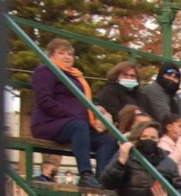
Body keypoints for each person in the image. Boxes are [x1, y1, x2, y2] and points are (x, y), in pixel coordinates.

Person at [30, 38, 119, 187]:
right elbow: (44, 100)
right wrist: (71, 115)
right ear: (51, 55)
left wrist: (95, 108)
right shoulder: (45, 71)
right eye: (61, 53)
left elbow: (80, 101)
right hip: (50, 122)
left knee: (107, 141)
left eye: (70, 54)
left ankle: (102, 178)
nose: (67, 57)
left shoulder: (76, 77)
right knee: (79, 126)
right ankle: (85, 174)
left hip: (75, 125)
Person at [100, 123, 181, 196]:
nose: (149, 140)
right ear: (137, 138)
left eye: (153, 137)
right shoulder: (126, 156)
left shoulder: (167, 162)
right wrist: (121, 161)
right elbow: (107, 183)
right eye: (144, 137)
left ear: (159, 140)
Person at [139, 63, 181, 135]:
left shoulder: (175, 97)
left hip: (175, 131)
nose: (172, 79)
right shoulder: (153, 90)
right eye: (168, 75)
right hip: (157, 132)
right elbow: (165, 118)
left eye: (175, 78)